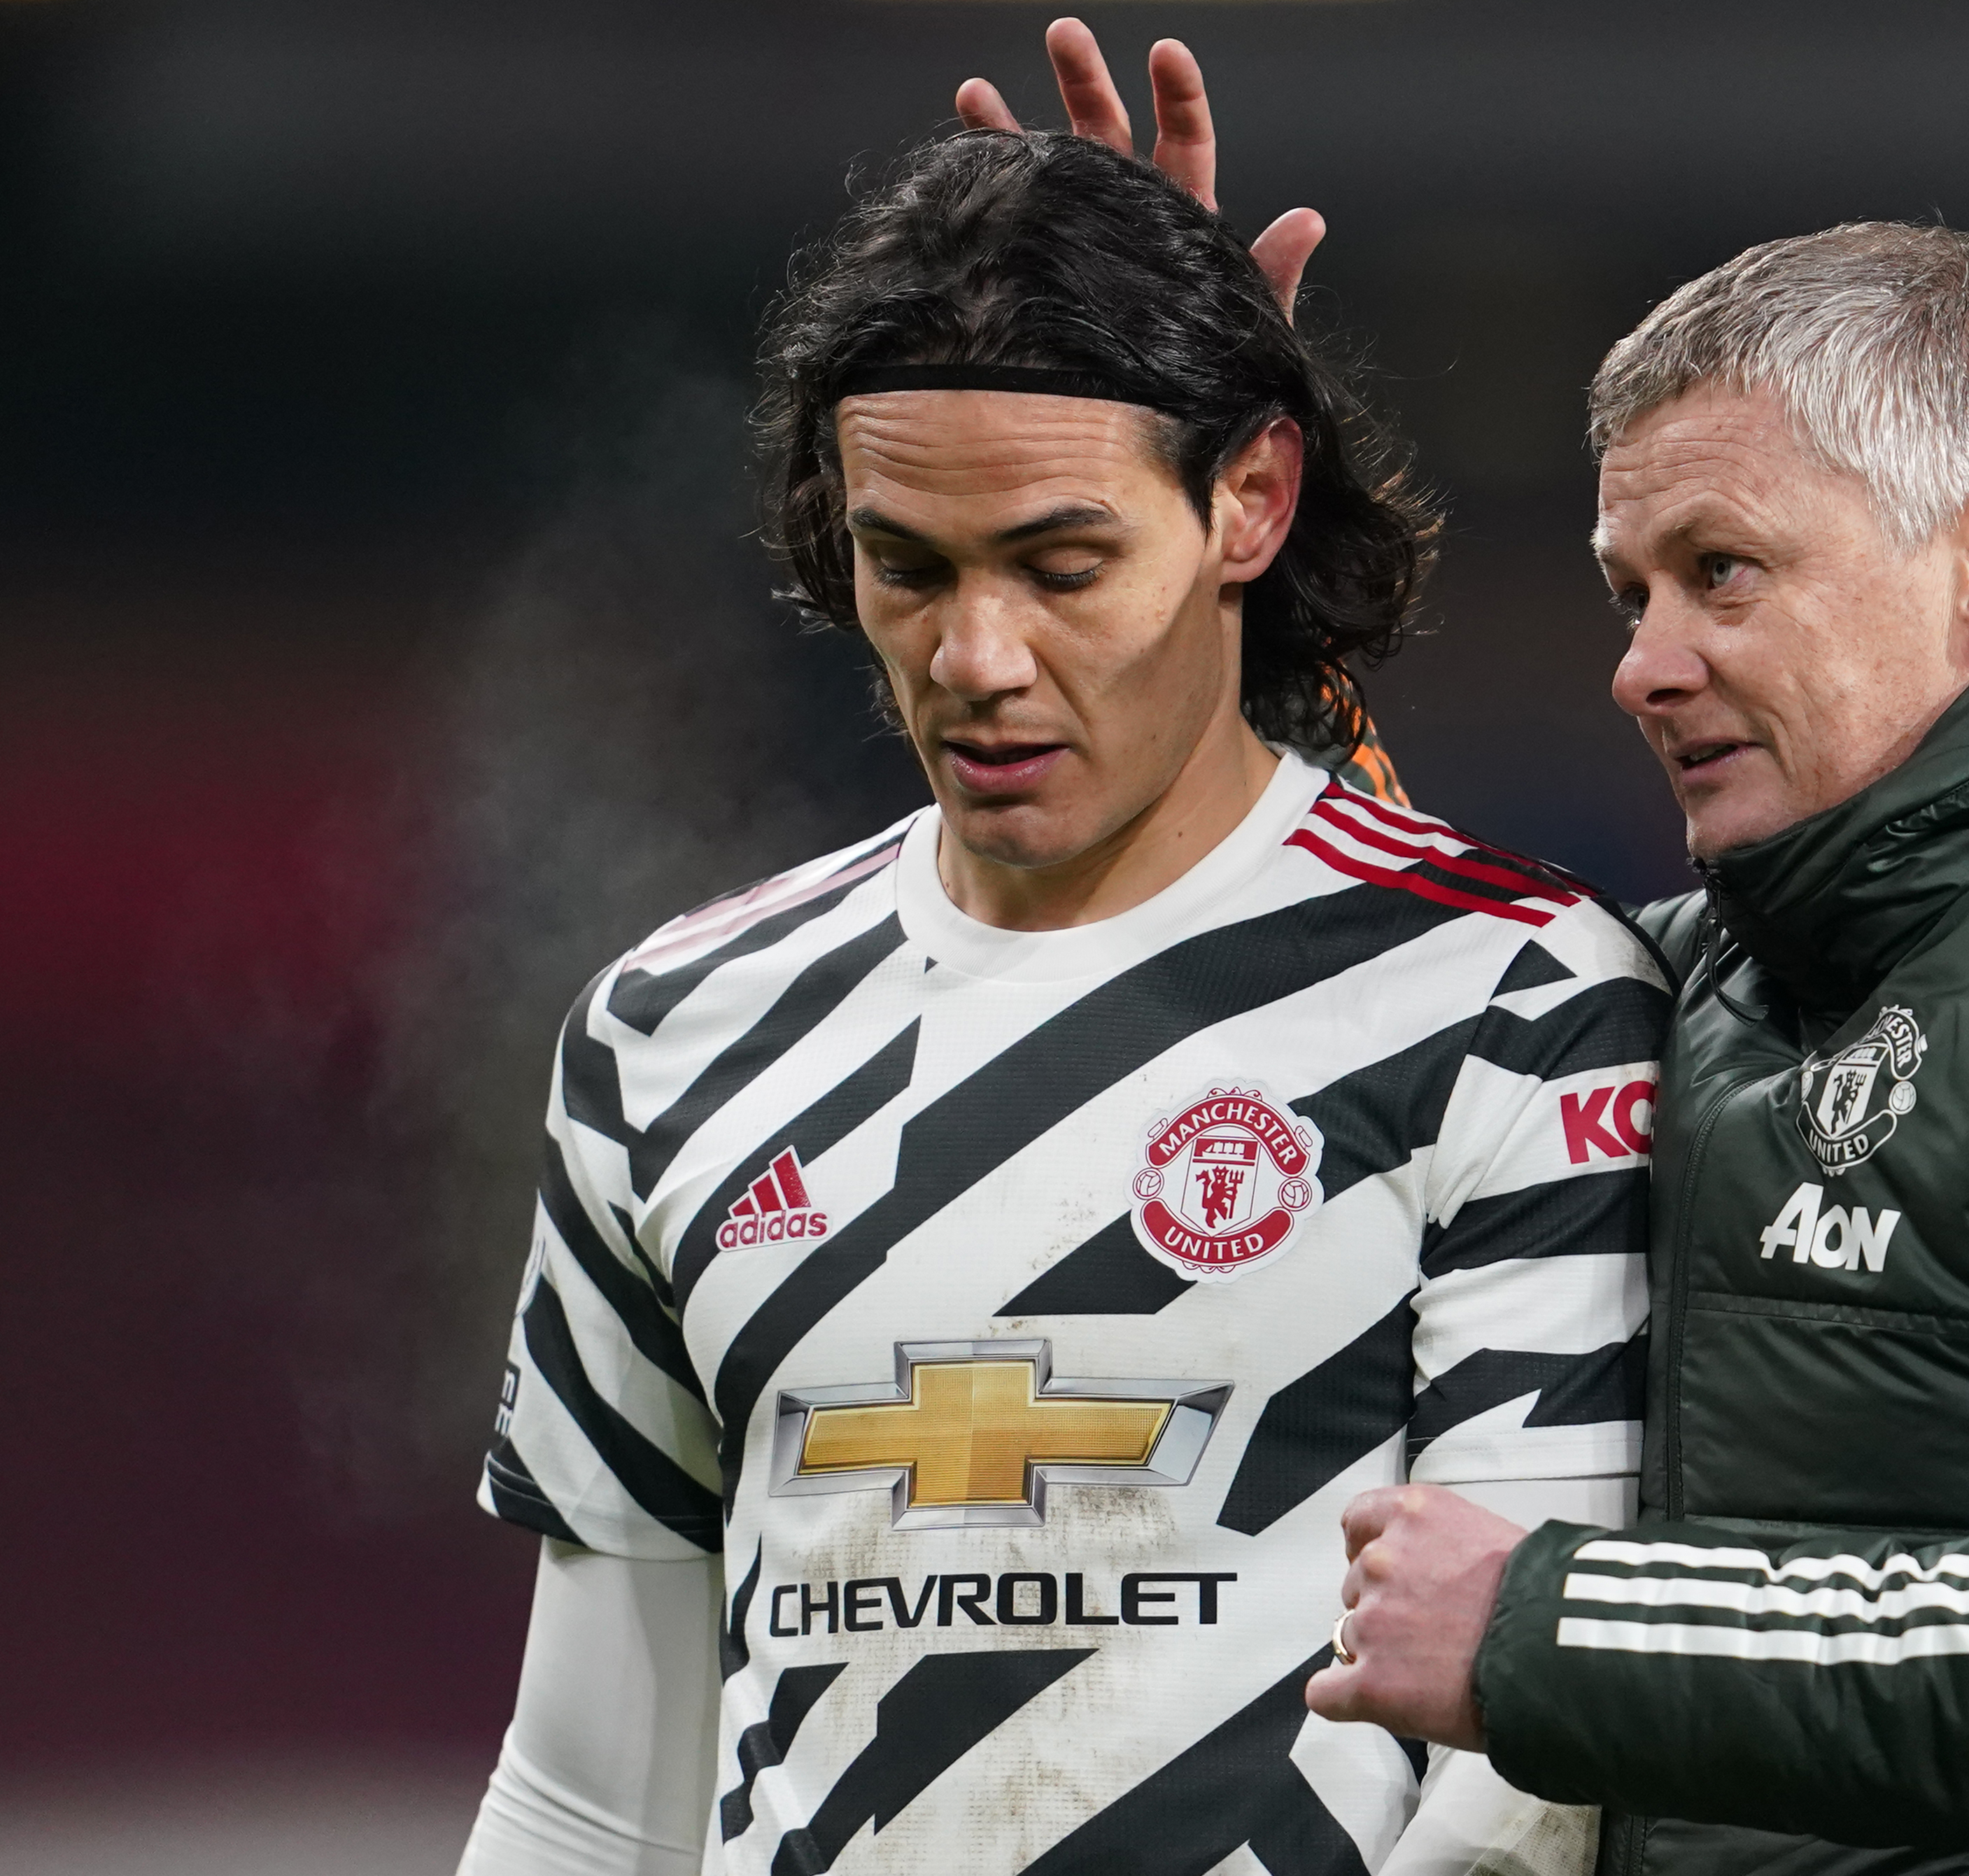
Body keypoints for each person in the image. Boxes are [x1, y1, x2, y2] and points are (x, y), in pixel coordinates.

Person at [976, 26, 1969, 1876]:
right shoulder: (1701, 979)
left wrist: (1552, 1632)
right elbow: (1351, 995)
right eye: (1628, 590)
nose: (1642, 665)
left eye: (1722, 572)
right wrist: (1170, 487)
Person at [455, 108, 1669, 1876]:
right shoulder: (669, 1035)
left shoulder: (1516, 998)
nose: (977, 658)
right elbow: (589, 1794)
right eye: (909, 567)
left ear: (1251, 501)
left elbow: (1525, 1776)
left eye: (1061, 565)